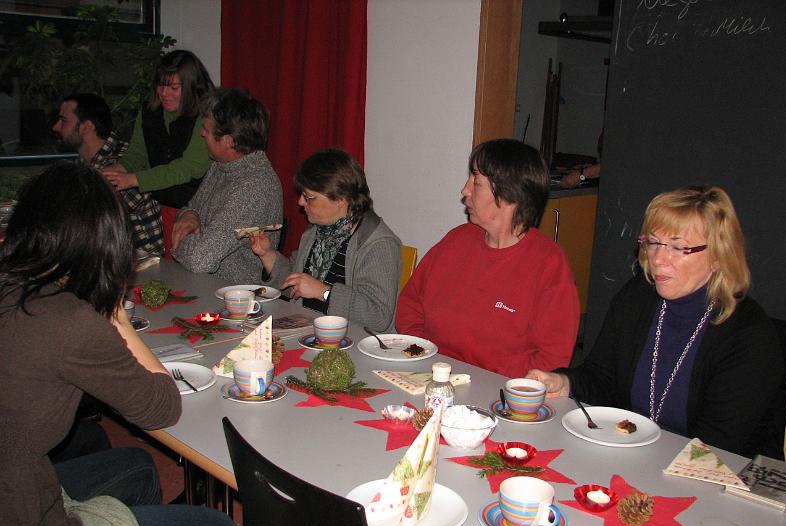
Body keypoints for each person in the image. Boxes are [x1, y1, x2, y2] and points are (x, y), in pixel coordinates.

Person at [0, 162, 241, 526]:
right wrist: (115, 313)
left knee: (139, 466)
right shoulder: (68, 320)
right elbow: (162, 406)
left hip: (22, 486)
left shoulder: (14, 287)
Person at [528, 185, 782, 455]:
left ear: (719, 256)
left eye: (678, 247)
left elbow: (717, 447)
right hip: (638, 459)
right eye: (653, 242)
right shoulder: (638, 298)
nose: (659, 258)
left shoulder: (748, 335)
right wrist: (564, 384)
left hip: (718, 476)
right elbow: (601, 378)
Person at [395, 138, 580, 377]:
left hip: (498, 395)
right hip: (430, 376)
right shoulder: (456, 241)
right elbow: (411, 302)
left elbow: (552, 357)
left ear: (509, 195)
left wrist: (485, 381)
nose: (465, 190)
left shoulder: (548, 264)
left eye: (476, 182)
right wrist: (424, 352)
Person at [251, 148, 401, 332]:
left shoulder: (377, 244)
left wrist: (324, 292)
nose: (300, 202)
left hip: (352, 343)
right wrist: (268, 255)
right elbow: (297, 282)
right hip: (310, 330)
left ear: (340, 198)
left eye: (309, 197)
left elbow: (378, 316)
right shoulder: (318, 230)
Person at [102, 50, 214, 253]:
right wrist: (114, 172)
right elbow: (137, 154)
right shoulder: (149, 111)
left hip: (195, 212)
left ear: (191, 88)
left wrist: (133, 179)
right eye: (161, 85)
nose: (164, 93)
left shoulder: (204, 116)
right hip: (160, 208)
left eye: (174, 87)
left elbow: (188, 168)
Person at [171, 88, 283, 282]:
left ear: (229, 142)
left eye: (206, 130)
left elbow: (199, 259)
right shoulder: (222, 164)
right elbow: (191, 208)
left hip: (234, 298)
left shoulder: (255, 187)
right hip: (203, 284)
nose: (201, 134)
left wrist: (179, 241)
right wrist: (190, 215)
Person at [53, 93, 165, 256]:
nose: (55, 127)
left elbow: (84, 222)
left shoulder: (123, 163)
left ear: (86, 127)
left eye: (63, 120)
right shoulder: (86, 164)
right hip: (112, 259)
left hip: (143, 268)